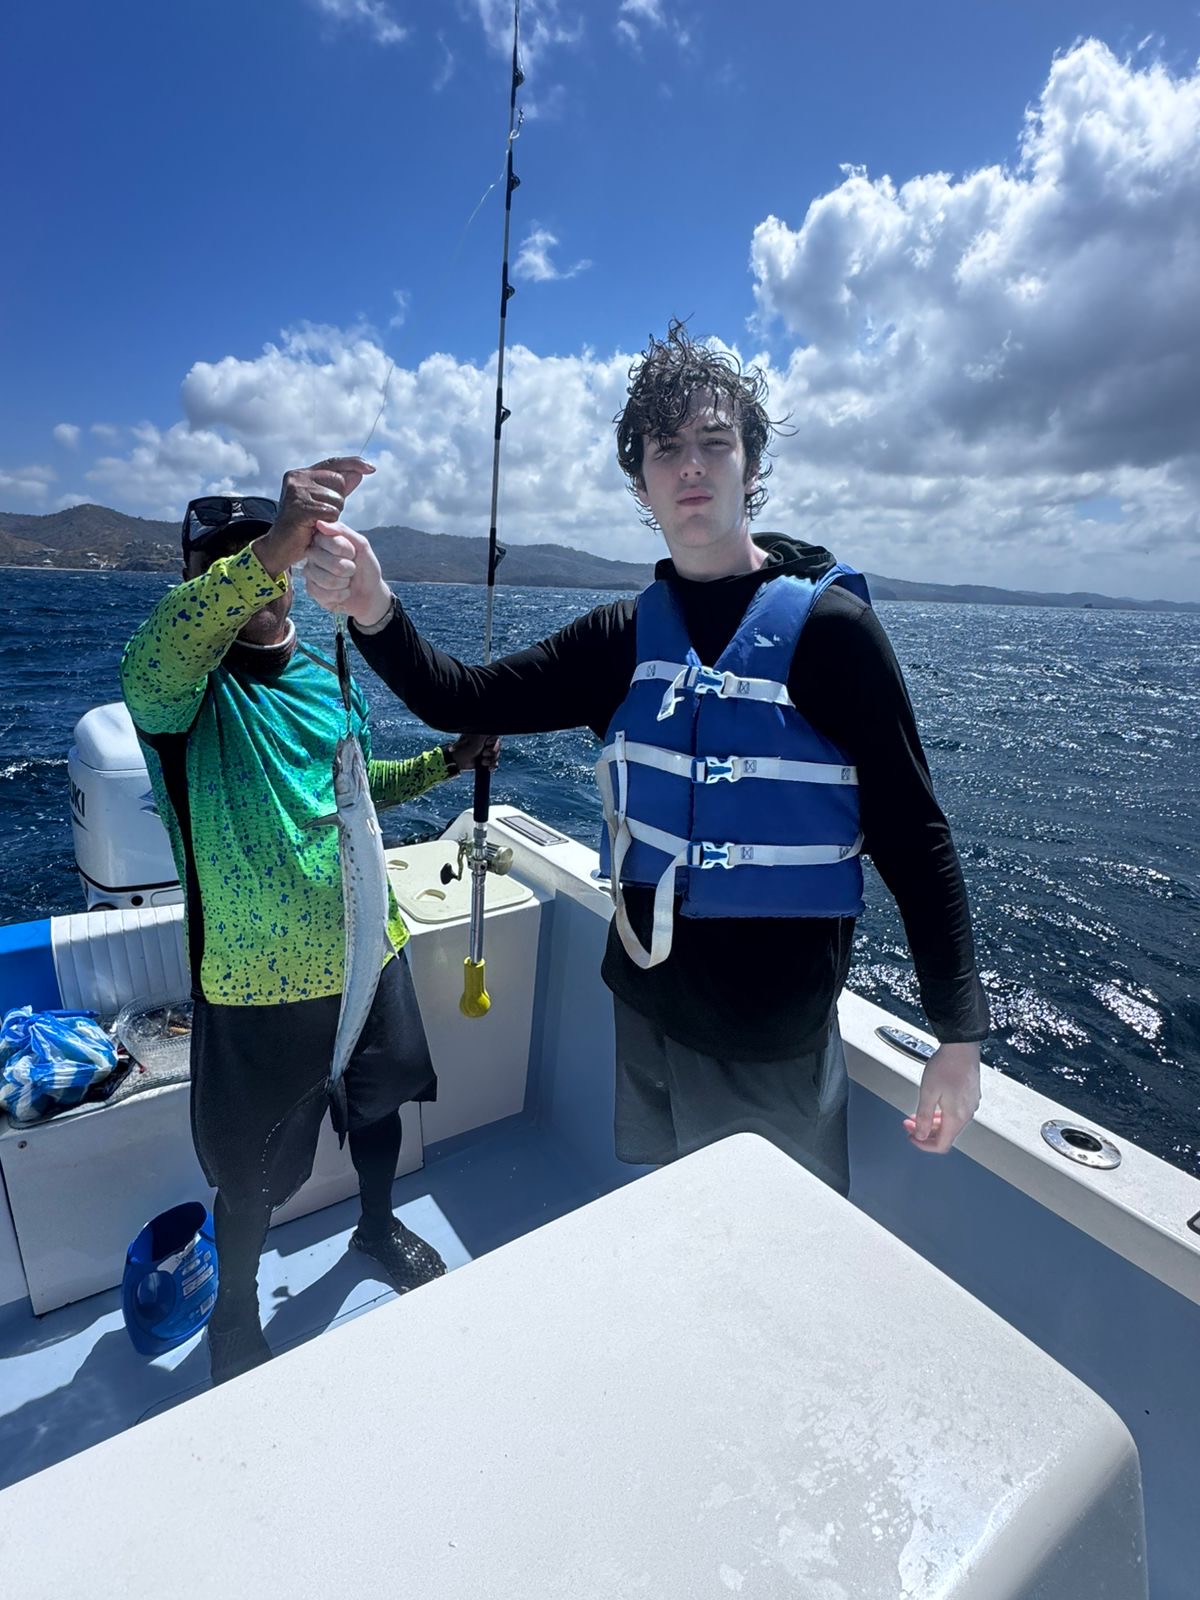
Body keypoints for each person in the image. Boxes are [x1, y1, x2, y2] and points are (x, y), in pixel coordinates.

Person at [301, 324, 989, 1192]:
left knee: (769, 1244)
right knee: (676, 1213)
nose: (691, 465)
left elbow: (913, 834)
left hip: (772, 1031)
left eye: (715, 442)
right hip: (646, 1002)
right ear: (640, 481)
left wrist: (958, 1036)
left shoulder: (833, 636)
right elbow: (461, 699)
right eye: (666, 449)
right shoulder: (620, 640)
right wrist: (372, 604)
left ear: (751, 465)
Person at [120, 461, 499, 1384]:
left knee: (379, 1111)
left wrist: (447, 763)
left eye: (263, 554)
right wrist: (273, 544)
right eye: (223, 561)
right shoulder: (180, 696)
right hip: (255, 987)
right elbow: (158, 653)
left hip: (373, 952)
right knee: (249, 1172)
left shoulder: (331, 678)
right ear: (197, 580)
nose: (250, 572)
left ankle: (375, 1228)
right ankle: (235, 1316)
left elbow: (357, 798)